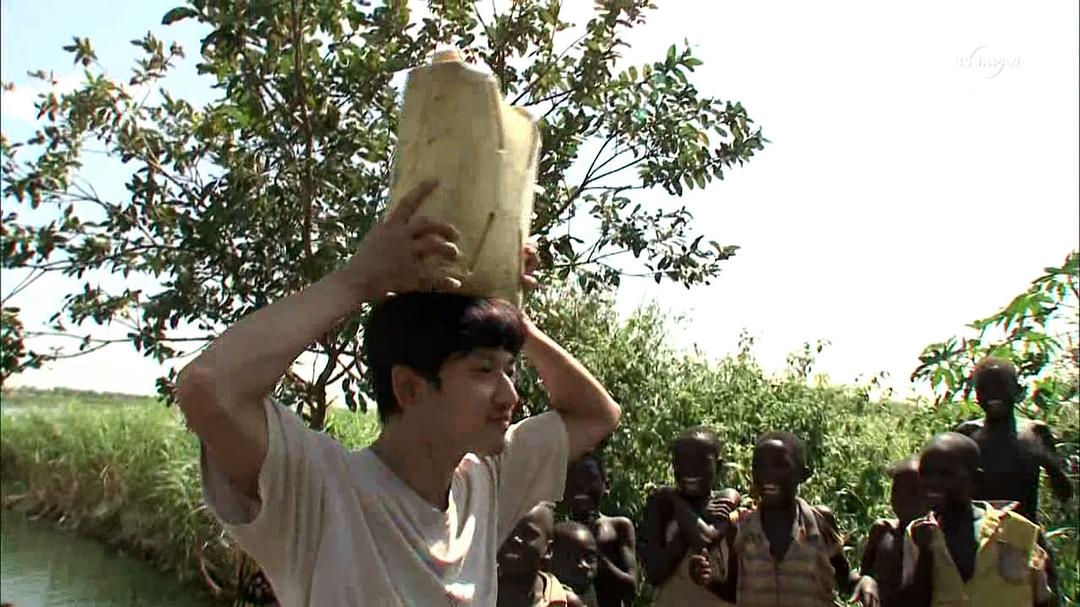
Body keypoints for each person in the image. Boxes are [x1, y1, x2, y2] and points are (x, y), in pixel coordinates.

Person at [175, 179, 622, 606]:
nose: (511, 397)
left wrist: (510, 312)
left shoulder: (485, 484)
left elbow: (597, 414)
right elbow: (209, 386)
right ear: (409, 388)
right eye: (484, 370)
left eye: (510, 370)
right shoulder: (321, 492)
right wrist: (357, 280)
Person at [689, 431, 879, 607]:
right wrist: (707, 580)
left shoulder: (819, 522)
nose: (769, 475)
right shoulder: (740, 528)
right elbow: (735, 591)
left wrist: (865, 581)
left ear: (803, 474)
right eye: (760, 466)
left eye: (780, 465)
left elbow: (845, 580)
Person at [898, 432, 1054, 606]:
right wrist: (925, 553)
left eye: (946, 474)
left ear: (975, 480)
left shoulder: (1018, 529)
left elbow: (1042, 598)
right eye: (925, 473)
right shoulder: (918, 533)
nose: (933, 482)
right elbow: (913, 601)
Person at [953, 357, 1073, 523]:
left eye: (1001, 385)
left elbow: (1064, 492)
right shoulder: (967, 434)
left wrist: (1049, 462)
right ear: (977, 395)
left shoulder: (1035, 432)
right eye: (984, 388)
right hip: (979, 531)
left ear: (1017, 390)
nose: (993, 394)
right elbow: (947, 489)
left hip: (1025, 530)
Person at [638, 426, 741, 606]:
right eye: (682, 462)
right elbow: (654, 573)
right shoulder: (660, 506)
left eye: (700, 462)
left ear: (718, 466)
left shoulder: (725, 503)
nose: (690, 470)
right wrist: (677, 502)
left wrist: (676, 501)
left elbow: (705, 538)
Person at [565, 452, 638, 606]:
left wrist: (595, 552)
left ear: (607, 486)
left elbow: (631, 588)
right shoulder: (558, 532)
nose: (582, 486)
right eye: (575, 480)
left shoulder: (618, 527)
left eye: (590, 478)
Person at [859, 456, 926, 607]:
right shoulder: (882, 531)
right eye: (896, 490)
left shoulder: (934, 538)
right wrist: (865, 581)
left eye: (913, 492)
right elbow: (862, 576)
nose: (902, 498)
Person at [497, 502, 586, 607]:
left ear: (548, 550)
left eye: (528, 533)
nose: (515, 538)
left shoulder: (566, 602)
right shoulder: (482, 587)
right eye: (508, 530)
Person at [549, 520, 601, 607]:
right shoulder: (550, 599)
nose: (583, 565)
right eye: (569, 558)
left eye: (589, 559)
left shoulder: (590, 592)